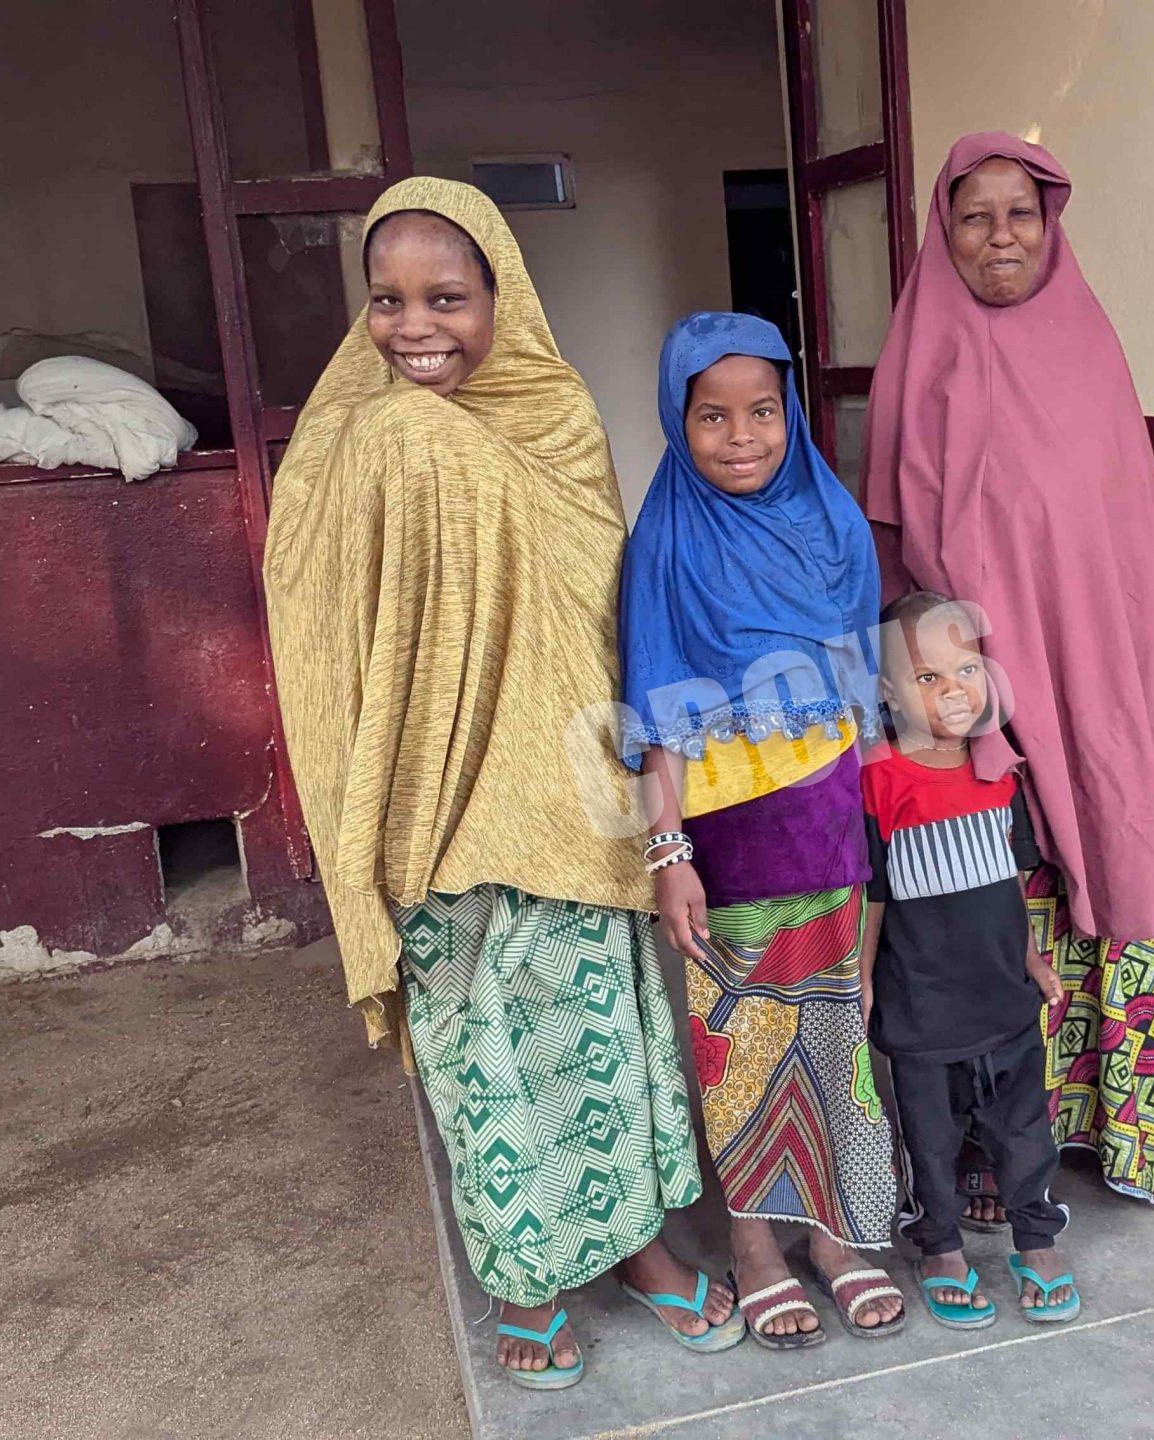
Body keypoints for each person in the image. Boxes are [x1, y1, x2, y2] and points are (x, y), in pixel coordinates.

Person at [263, 179, 740, 1391]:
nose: (417, 327)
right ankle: (523, 1275)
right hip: (432, 797)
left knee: (601, 1033)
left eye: (448, 297)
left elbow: (597, 592)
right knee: (489, 1052)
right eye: (387, 301)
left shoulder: (558, 411)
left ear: (502, 297)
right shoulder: (357, 430)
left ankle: (634, 1250)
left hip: (561, 778)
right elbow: (321, 616)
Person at [860, 133, 1154, 1216]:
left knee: (1117, 860)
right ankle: (991, 1151)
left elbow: (1131, 534)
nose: (999, 236)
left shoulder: (1090, 345)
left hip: (1103, 682)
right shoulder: (919, 357)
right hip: (981, 697)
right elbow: (893, 539)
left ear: (1050, 223)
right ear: (945, 232)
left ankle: (1132, 1132)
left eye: (1019, 213)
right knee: (985, 911)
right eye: (974, 217)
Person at [618, 312, 905, 1347]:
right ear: (676, 419)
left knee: (834, 1029)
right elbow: (654, 704)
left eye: (761, 413)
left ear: (789, 413)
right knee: (738, 1044)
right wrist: (668, 853)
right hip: (726, 839)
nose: (740, 436)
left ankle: (832, 1235)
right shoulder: (667, 535)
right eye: (710, 416)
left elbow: (860, 694)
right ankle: (752, 1245)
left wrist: (869, 827)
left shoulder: (828, 522)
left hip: (824, 821)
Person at [862, 590, 1080, 1327]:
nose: (953, 688)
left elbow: (1015, 883)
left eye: (966, 668)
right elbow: (875, 896)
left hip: (1003, 998)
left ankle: (1036, 1238)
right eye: (927, 677)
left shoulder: (998, 771)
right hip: (922, 1006)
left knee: (1025, 1128)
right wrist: (860, 982)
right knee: (932, 1136)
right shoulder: (881, 779)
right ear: (890, 692)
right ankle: (941, 1247)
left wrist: (1033, 959)